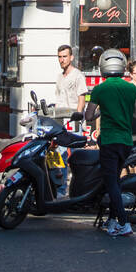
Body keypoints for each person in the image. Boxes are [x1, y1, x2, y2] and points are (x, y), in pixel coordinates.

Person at [85, 47, 136, 237]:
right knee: (115, 181)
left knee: (111, 183)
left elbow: (88, 116)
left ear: (103, 66)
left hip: (109, 141)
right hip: (126, 141)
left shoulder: (100, 89)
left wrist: (104, 109)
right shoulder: (131, 88)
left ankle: (124, 223)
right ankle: (111, 221)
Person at [53, 45, 87, 197]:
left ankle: (77, 190)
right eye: (60, 57)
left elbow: (82, 98)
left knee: (75, 157)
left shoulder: (78, 75)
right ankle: (61, 189)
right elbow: (58, 99)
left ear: (71, 57)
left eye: (65, 56)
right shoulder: (60, 76)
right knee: (60, 156)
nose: (62, 60)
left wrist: (78, 117)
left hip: (73, 121)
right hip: (61, 120)